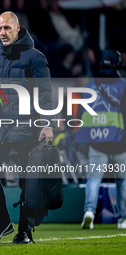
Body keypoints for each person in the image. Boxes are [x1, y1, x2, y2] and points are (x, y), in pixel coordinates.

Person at [0, 12, 53, 244]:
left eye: (6, 28)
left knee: (27, 181)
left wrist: (46, 124)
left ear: (17, 27)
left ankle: (24, 231)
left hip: (28, 127)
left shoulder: (36, 57)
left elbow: (45, 94)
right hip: (2, 128)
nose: (2, 33)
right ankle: (3, 223)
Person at [75, 50, 126, 230]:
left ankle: (88, 211)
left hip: (96, 141)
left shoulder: (89, 86)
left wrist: (81, 139)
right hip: (119, 141)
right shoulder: (123, 85)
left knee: (94, 179)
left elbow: (80, 116)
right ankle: (123, 219)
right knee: (122, 181)